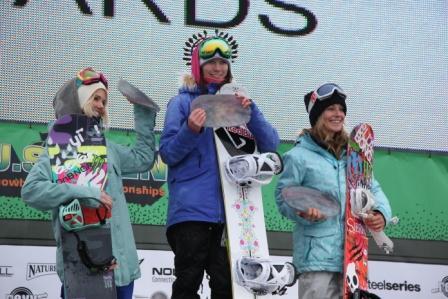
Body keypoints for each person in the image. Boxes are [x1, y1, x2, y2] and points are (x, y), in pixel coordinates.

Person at [160, 30, 280, 299]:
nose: (217, 67)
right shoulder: (181, 103)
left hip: (233, 213)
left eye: (223, 62)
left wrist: (252, 112)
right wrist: (190, 129)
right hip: (192, 212)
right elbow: (168, 153)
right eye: (210, 62)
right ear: (197, 66)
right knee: (188, 281)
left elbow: (271, 144)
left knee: (228, 287)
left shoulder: (237, 104)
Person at [21, 67, 157, 299]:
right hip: (84, 268)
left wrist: (143, 114)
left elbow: (143, 159)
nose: (102, 105)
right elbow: (31, 191)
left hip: (121, 268)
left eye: (104, 100)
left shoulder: (108, 148)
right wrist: (85, 192)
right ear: (80, 101)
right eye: (95, 98)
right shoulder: (58, 150)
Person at [275, 83, 392, 299]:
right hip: (316, 256)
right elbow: (284, 198)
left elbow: (372, 187)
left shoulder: (354, 155)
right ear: (317, 115)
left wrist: (381, 214)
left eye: (341, 109)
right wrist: (302, 211)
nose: (338, 114)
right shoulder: (298, 156)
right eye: (330, 109)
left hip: (353, 255)